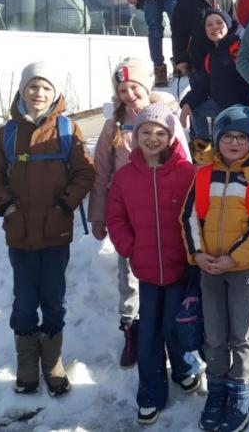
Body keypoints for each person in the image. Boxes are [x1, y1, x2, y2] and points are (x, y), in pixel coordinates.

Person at [0, 62, 94, 397]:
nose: (38, 94)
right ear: (22, 90)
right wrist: (7, 207)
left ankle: (53, 361)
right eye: (33, 87)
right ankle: (27, 363)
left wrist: (64, 206)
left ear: (55, 93)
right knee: (25, 300)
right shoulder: (8, 133)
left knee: (54, 299)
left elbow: (85, 174)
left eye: (45, 88)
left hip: (56, 233)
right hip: (20, 233)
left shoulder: (67, 129)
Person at [181, 106, 249, 432]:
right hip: (209, 268)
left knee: (240, 332)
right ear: (217, 140)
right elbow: (190, 216)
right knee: (215, 333)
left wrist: (234, 257)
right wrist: (198, 254)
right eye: (227, 136)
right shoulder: (204, 174)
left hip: (242, 268)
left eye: (241, 136)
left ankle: (241, 390)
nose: (234, 142)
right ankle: (217, 387)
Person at [106, 105, 201, 425]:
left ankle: (185, 368)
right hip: (146, 270)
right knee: (148, 333)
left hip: (179, 267)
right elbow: (115, 216)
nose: (152, 138)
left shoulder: (187, 172)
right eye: (145, 131)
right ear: (134, 135)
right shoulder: (125, 177)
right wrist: (129, 247)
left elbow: (200, 214)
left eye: (160, 133)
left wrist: (194, 253)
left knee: (174, 325)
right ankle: (150, 392)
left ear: (171, 137)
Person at [89, 58, 186, 368]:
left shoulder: (167, 119)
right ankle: (133, 331)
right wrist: (99, 214)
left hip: (166, 216)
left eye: (134, 87)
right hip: (130, 216)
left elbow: (184, 163)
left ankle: (169, 332)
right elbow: (102, 171)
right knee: (129, 277)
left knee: (170, 278)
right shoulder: (113, 125)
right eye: (122, 89)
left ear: (146, 87)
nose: (129, 94)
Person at [179, 9, 249, 147]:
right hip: (220, 105)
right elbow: (203, 86)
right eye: (209, 25)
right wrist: (187, 104)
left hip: (242, 108)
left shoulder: (239, 47)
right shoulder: (210, 56)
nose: (214, 27)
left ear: (228, 25)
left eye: (219, 22)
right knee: (195, 108)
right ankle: (203, 145)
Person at [171, 0, 235, 76]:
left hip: (223, 55)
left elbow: (232, 23)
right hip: (197, 56)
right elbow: (178, 30)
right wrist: (180, 58)